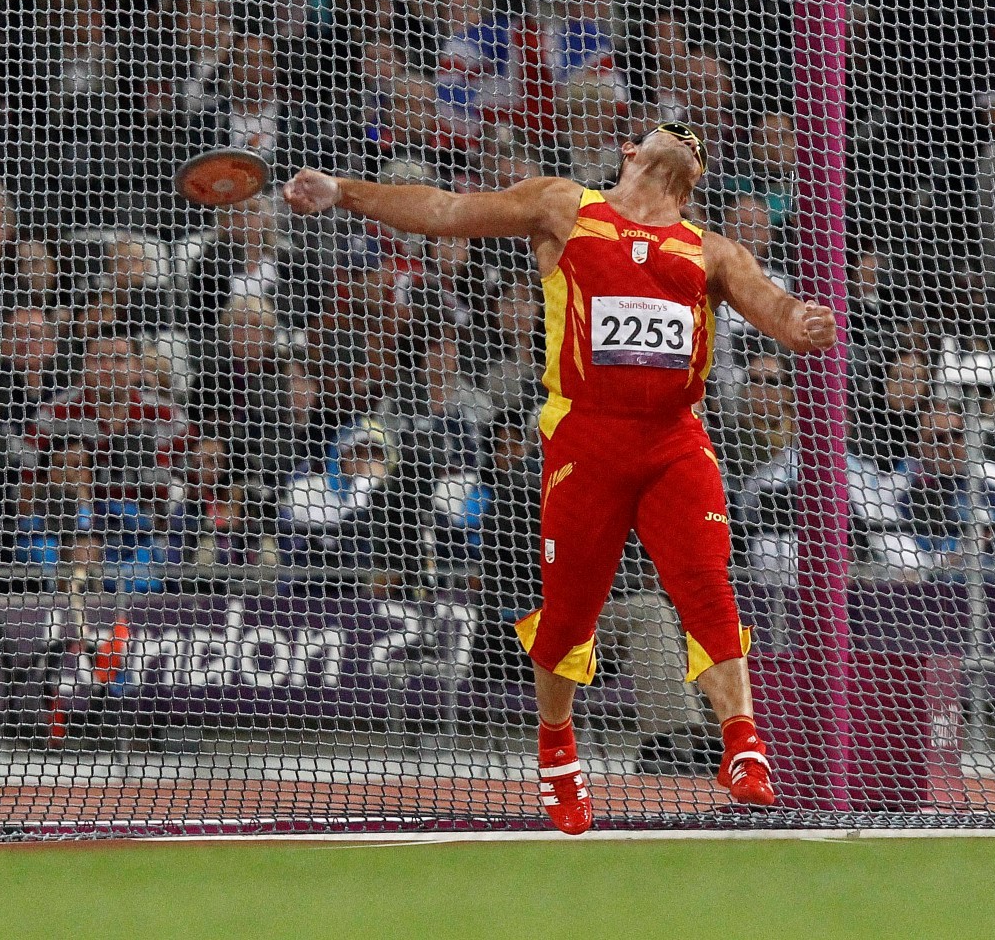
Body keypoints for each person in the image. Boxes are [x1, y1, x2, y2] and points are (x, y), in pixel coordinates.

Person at [283, 119, 836, 834]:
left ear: (696, 175)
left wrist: (804, 323)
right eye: (668, 129)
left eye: (695, 138)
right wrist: (344, 192)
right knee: (570, 614)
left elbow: (777, 312)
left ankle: (743, 743)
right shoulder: (565, 207)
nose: (684, 136)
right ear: (631, 151)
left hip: (676, 442)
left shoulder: (713, 251)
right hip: (584, 442)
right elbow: (448, 212)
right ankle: (558, 748)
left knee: (706, 584)